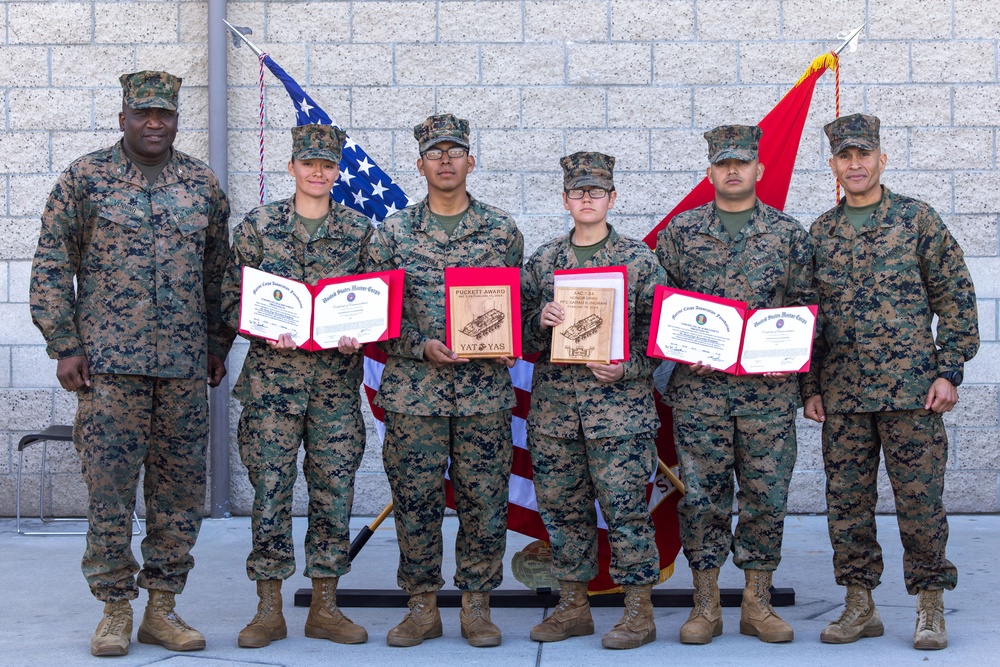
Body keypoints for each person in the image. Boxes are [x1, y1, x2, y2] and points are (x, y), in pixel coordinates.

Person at [29, 71, 232, 657]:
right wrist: (64, 343)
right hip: (108, 370)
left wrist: (218, 343)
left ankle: (162, 610)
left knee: (178, 493)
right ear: (122, 118)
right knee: (109, 492)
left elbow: (222, 271)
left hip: (184, 372)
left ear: (174, 119)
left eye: (163, 114)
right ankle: (115, 609)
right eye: (142, 113)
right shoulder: (85, 178)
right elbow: (50, 265)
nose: (153, 123)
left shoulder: (200, 184)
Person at [802, 113, 979, 650]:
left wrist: (950, 370)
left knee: (921, 503)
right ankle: (860, 605)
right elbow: (806, 316)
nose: (854, 164)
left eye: (863, 155)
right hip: (844, 396)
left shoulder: (917, 220)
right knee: (847, 504)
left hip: (912, 394)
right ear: (832, 165)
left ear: (882, 158)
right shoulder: (821, 233)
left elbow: (956, 299)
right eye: (844, 157)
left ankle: (929, 606)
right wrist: (808, 387)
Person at [367, 113, 523, 648]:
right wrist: (420, 345)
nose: (446, 161)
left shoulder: (502, 231)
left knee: (484, 501)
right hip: (415, 395)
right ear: (420, 165)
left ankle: (477, 607)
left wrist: (510, 345)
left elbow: (516, 307)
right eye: (435, 153)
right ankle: (421, 607)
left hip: (483, 395)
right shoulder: (392, 233)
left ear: (470, 162)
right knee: (415, 501)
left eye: (455, 152)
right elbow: (379, 316)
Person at [655, 125, 815, 645]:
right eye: (723, 164)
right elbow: (661, 310)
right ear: (709, 172)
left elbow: (807, 307)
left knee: (766, 497)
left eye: (741, 163)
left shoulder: (788, 235)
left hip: (768, 396)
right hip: (701, 394)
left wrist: (793, 364)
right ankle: (706, 605)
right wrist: (681, 349)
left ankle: (757, 603)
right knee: (702, 499)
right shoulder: (681, 233)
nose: (732, 171)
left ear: (758, 171)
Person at [221, 124, 373, 648]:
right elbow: (227, 297)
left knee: (334, 493)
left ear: (337, 172)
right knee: (271, 495)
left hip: (334, 386)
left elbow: (375, 300)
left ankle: (325, 607)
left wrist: (362, 335)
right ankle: (268, 609)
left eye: (327, 166)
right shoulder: (258, 227)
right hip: (271, 389)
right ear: (291, 168)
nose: (317, 173)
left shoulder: (360, 232)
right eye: (308, 164)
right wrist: (260, 326)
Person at [521, 152, 664, 649]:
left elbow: (660, 338)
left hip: (619, 414)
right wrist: (539, 323)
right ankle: (572, 607)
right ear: (565, 200)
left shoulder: (639, 260)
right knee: (562, 512)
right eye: (578, 192)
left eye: (596, 192)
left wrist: (629, 368)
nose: (587, 199)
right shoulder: (542, 261)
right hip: (556, 416)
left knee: (626, 512)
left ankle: (638, 612)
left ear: (612, 198)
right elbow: (515, 338)